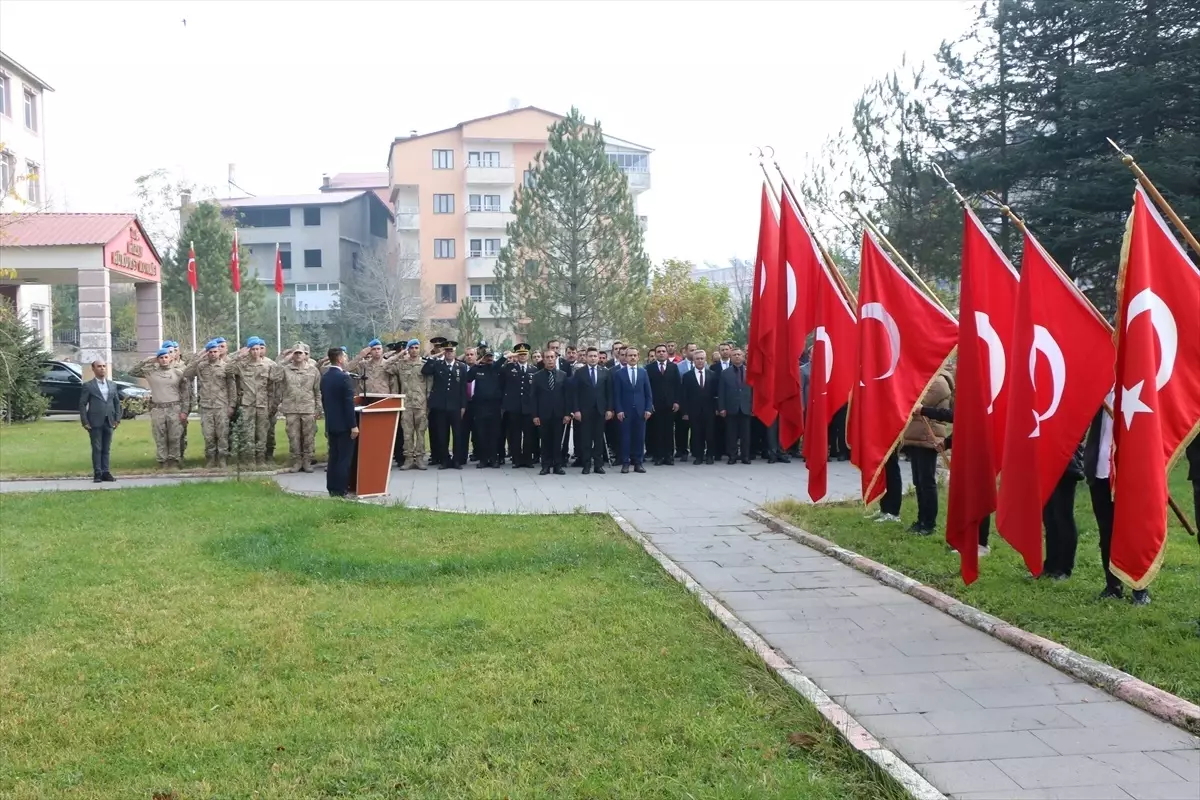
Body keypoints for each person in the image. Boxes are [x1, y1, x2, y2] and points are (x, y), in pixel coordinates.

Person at [901, 370, 953, 535]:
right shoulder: (923, 377)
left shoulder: (939, 381)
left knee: (926, 481)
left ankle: (929, 523)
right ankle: (921, 519)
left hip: (928, 435)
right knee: (918, 481)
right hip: (916, 436)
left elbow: (916, 403)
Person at [129, 347, 190, 470]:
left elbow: (185, 393)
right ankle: (162, 461)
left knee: (175, 436)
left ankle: (174, 461)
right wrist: (149, 360)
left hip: (174, 407)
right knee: (159, 436)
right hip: (158, 408)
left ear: (171, 358)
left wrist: (184, 411)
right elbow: (132, 371)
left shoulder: (178, 372)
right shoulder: (151, 372)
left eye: (166, 357)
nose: (163, 360)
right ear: (158, 359)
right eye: (161, 358)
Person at [183, 340, 238, 468]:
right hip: (206, 406)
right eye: (210, 352)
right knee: (208, 435)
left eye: (215, 352)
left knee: (222, 434)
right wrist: (198, 359)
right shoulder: (201, 366)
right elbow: (186, 373)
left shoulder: (226, 367)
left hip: (221, 406)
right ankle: (211, 458)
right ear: (207, 353)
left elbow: (232, 387)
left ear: (219, 353)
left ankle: (222, 459)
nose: (213, 354)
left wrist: (232, 405)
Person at [232, 336, 284, 468]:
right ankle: (249, 460)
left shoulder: (269, 365)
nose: (256, 352)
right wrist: (238, 356)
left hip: (262, 404)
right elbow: (227, 370)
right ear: (249, 350)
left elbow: (274, 386)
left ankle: (261, 460)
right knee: (247, 433)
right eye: (253, 349)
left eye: (258, 349)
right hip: (247, 404)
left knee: (262, 433)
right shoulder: (242, 365)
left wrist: (272, 404)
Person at [422, 340, 468, 470]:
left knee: (457, 434)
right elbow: (425, 370)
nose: (449, 353)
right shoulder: (437, 365)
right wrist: (436, 356)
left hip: (456, 406)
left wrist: (463, 406)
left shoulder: (461, 367)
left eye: (451, 351)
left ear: (455, 352)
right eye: (447, 351)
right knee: (442, 434)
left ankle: (457, 460)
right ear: (444, 352)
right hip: (441, 406)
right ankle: (444, 460)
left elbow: (463, 389)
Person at [320, 347, 358, 497]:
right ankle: (341, 490)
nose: (347, 359)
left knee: (333, 457)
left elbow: (325, 402)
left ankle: (332, 488)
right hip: (344, 425)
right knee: (344, 459)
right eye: (346, 357)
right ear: (340, 359)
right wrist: (353, 426)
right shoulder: (344, 378)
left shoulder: (325, 377)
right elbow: (348, 404)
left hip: (331, 423)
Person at [279, 342, 322, 473]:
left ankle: (307, 461)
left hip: (308, 408)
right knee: (293, 436)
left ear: (305, 355)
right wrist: (284, 360)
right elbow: (274, 376)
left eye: (300, 353)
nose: (298, 355)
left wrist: (318, 408)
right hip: (291, 408)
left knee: (309, 436)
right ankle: (297, 461)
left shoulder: (313, 370)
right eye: (295, 353)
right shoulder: (285, 369)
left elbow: (317, 391)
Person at [571, 346, 612, 475]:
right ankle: (586, 464)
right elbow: (575, 393)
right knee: (586, 439)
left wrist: (610, 409)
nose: (593, 358)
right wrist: (576, 410)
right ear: (586, 357)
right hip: (585, 411)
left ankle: (598, 465)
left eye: (595, 356)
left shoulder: (605, 372)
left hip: (600, 410)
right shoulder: (579, 372)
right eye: (591, 356)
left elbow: (609, 393)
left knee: (598, 438)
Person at [79, 359, 121, 482]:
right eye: (99, 366)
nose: (102, 368)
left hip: (109, 420)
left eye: (104, 366)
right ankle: (97, 472)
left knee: (106, 448)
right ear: (93, 369)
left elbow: (117, 403)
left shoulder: (112, 385)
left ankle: (106, 472)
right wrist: (85, 421)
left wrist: (117, 419)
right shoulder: (88, 386)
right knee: (97, 448)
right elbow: (82, 404)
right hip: (95, 421)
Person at [613, 345, 653, 474]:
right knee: (625, 438)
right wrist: (618, 409)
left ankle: (638, 463)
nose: (632, 357)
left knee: (639, 438)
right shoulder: (619, 373)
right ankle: (625, 463)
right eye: (630, 355)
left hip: (641, 411)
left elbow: (648, 393)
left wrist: (648, 408)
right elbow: (617, 394)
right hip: (625, 411)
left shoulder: (643, 372)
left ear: (638, 356)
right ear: (626, 357)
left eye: (635, 355)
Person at [393, 339, 431, 470]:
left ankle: (420, 458)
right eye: (411, 348)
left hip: (421, 404)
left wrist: (428, 403)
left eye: (416, 347)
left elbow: (429, 385)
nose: (414, 350)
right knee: (407, 433)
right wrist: (399, 354)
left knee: (420, 433)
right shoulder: (401, 364)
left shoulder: (425, 365)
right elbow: (386, 367)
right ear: (408, 349)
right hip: (407, 404)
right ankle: (408, 459)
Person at [466, 345, 506, 468]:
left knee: (494, 434)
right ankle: (483, 459)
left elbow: (501, 362)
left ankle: (494, 458)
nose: (489, 359)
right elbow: (468, 378)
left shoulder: (496, 368)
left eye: (491, 356)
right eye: (487, 356)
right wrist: (478, 363)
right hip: (480, 406)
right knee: (481, 434)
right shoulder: (478, 369)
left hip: (494, 406)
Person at [533, 352, 569, 475]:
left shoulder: (563, 375)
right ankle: (545, 466)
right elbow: (533, 397)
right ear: (543, 359)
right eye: (547, 357)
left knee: (557, 441)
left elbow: (566, 395)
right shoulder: (537, 376)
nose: (550, 360)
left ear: (555, 359)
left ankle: (558, 465)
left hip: (559, 413)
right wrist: (535, 415)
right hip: (543, 414)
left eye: (552, 357)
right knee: (545, 441)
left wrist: (567, 413)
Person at [502, 343, 536, 468]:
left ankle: (527, 459)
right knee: (515, 434)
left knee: (528, 435)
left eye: (524, 354)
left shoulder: (533, 370)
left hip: (528, 407)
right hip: (514, 407)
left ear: (528, 355)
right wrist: (509, 356)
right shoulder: (510, 368)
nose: (522, 356)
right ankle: (516, 459)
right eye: (520, 354)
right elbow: (497, 369)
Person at [717, 347, 753, 464]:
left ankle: (745, 456)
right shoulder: (725, 373)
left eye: (739, 354)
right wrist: (721, 407)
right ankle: (732, 456)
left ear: (743, 357)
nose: (737, 356)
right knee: (731, 434)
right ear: (731, 358)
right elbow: (721, 392)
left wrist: (753, 406)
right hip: (731, 408)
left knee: (746, 435)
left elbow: (754, 391)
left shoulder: (750, 372)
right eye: (734, 355)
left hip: (746, 407)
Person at [646, 344, 680, 465]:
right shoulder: (649, 368)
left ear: (666, 353)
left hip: (670, 404)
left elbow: (677, 385)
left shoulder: (673, 367)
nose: (661, 353)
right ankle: (658, 456)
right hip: (655, 404)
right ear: (655, 354)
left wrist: (676, 401)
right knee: (657, 430)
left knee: (669, 431)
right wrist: (649, 403)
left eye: (663, 351)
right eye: (659, 351)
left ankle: (669, 456)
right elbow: (647, 388)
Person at [681, 348, 716, 464]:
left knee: (710, 433)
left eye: (702, 358)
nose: (700, 361)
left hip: (709, 410)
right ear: (694, 360)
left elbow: (716, 394)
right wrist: (685, 412)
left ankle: (710, 455)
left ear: (705, 360)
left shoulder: (712, 375)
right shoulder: (687, 376)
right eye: (697, 359)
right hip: (694, 410)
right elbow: (684, 395)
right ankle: (699, 456)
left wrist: (717, 408)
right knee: (696, 433)